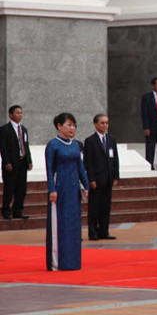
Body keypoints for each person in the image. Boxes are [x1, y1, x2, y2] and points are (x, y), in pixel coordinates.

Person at [46, 113, 89, 271]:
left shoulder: (75, 145)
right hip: (60, 190)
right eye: (69, 125)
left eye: (74, 125)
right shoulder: (53, 145)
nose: (72, 128)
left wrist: (86, 185)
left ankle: (73, 261)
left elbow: (80, 167)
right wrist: (52, 189)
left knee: (73, 225)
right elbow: (50, 170)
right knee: (60, 225)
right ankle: (58, 262)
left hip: (73, 190)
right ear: (59, 126)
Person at [83, 114, 120, 241]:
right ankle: (93, 233)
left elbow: (115, 159)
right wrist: (91, 179)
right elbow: (88, 161)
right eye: (102, 123)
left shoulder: (111, 139)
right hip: (96, 180)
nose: (105, 125)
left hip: (108, 178)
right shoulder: (90, 141)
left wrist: (116, 175)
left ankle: (104, 231)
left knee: (105, 207)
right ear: (95, 124)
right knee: (94, 208)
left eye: (107, 123)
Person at [0, 105, 32, 220]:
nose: (20, 115)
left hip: (22, 162)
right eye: (17, 113)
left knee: (21, 188)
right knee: (9, 188)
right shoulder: (4, 129)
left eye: (21, 113)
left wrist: (29, 160)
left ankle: (18, 210)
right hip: (11, 163)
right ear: (11, 115)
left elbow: (26, 145)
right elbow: (2, 147)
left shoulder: (23, 129)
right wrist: (6, 162)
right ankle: (6, 211)